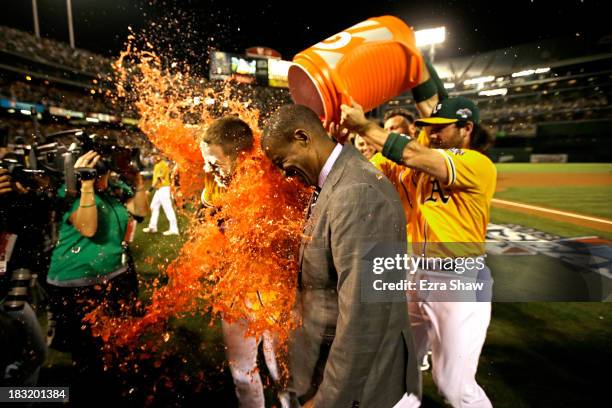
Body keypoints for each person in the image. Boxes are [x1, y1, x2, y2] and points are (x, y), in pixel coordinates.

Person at [340, 96, 496, 408]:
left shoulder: (477, 164)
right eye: (429, 128)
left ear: (467, 128)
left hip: (458, 281)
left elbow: (410, 152)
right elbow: (362, 175)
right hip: (414, 274)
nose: (433, 134)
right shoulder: (416, 168)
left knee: (454, 386)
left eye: (441, 128)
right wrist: (342, 143)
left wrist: (365, 126)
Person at [263, 104, 421, 408]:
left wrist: (329, 398)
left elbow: (365, 317)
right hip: (328, 366)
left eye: (282, 160)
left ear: (302, 137)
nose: (284, 172)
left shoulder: (356, 191)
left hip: (358, 388)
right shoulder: (334, 180)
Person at [46, 149, 148, 402]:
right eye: (100, 172)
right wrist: (87, 184)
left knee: (115, 348)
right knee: (88, 358)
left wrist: (138, 182)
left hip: (113, 275)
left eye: (106, 172)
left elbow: (141, 212)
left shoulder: (114, 187)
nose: (105, 176)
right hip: (77, 282)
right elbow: (88, 228)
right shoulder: (70, 191)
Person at [199, 115, 286, 408]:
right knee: (241, 372)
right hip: (235, 289)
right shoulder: (214, 184)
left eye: (214, 161)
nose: (206, 168)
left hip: (276, 291)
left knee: (283, 369)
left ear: (239, 156)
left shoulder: (274, 182)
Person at [143, 154, 179, 235]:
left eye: (154, 157)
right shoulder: (157, 165)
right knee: (153, 206)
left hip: (164, 189)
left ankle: (174, 229)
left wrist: (149, 190)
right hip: (159, 190)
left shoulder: (162, 165)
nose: (152, 159)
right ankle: (153, 227)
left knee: (168, 208)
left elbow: (159, 179)